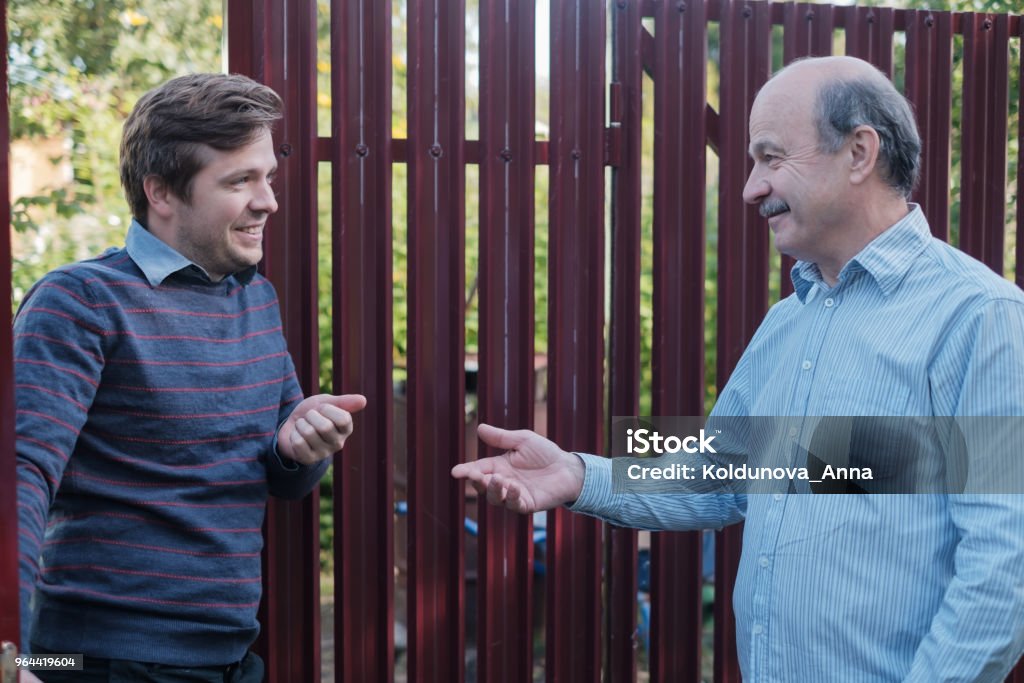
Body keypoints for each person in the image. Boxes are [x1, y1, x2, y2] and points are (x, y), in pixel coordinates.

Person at [453, 56, 1024, 681]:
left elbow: (1005, 569)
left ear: (860, 153)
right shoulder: (789, 323)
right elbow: (718, 477)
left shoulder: (980, 318)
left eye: (771, 158)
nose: (751, 186)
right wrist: (577, 474)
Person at [15, 73, 365, 683]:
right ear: (161, 193)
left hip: (226, 657)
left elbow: (281, 475)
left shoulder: (254, 298)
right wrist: (9, 653)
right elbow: (19, 472)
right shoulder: (80, 301)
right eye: (239, 181)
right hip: (97, 661)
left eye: (268, 178)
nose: (268, 202)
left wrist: (298, 447)